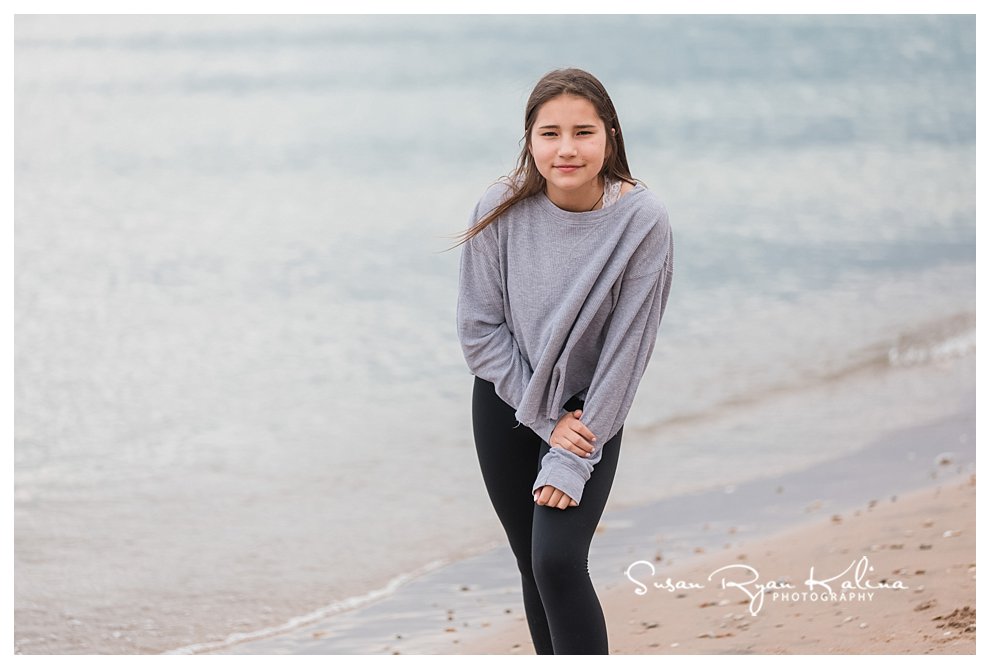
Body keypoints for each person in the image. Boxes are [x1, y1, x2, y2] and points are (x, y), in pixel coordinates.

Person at [453, 67, 674, 655]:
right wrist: (543, 421)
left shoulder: (641, 220)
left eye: (583, 132)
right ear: (530, 139)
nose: (567, 149)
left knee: (557, 560)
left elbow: (628, 352)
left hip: (590, 414)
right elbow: (479, 333)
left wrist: (571, 455)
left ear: (611, 137)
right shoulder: (498, 208)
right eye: (550, 133)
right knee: (530, 564)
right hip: (506, 404)